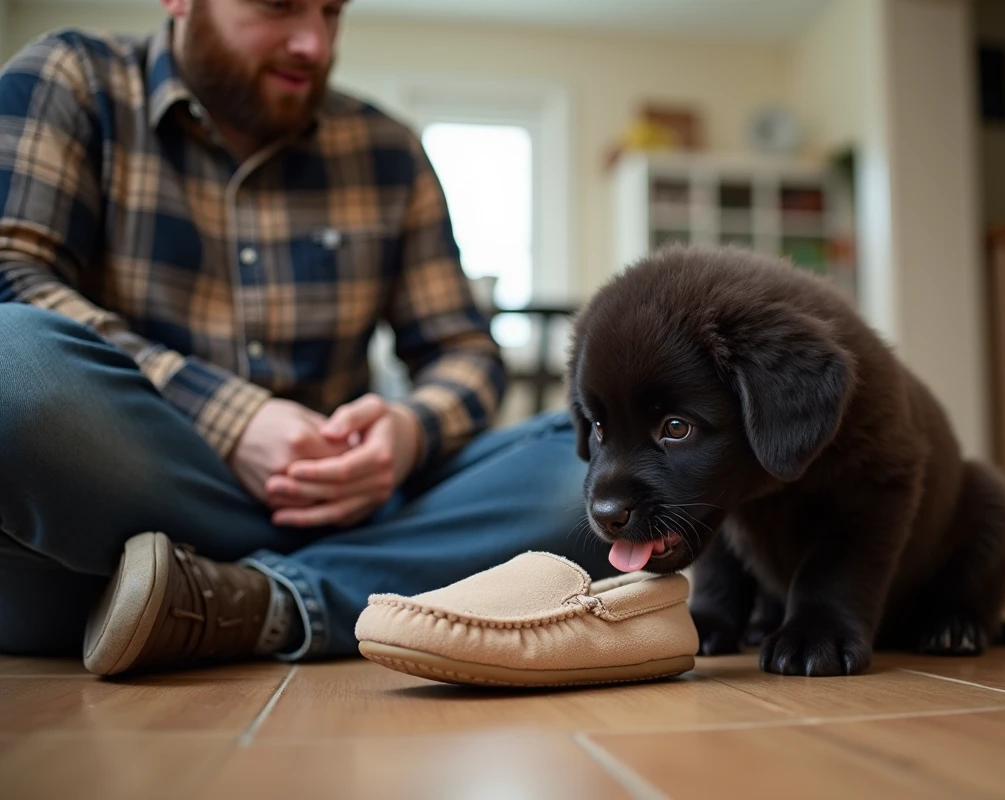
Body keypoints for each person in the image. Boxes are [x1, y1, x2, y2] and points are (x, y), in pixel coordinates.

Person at [0, 0, 613, 675]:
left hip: (347, 507)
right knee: (11, 357)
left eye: (331, 12)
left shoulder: (390, 152)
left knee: (594, 467)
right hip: (143, 486)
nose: (314, 44)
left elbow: (463, 353)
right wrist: (237, 423)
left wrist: (408, 432)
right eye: (280, 6)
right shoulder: (73, 79)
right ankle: (325, 590)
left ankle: (260, 599)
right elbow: (10, 275)